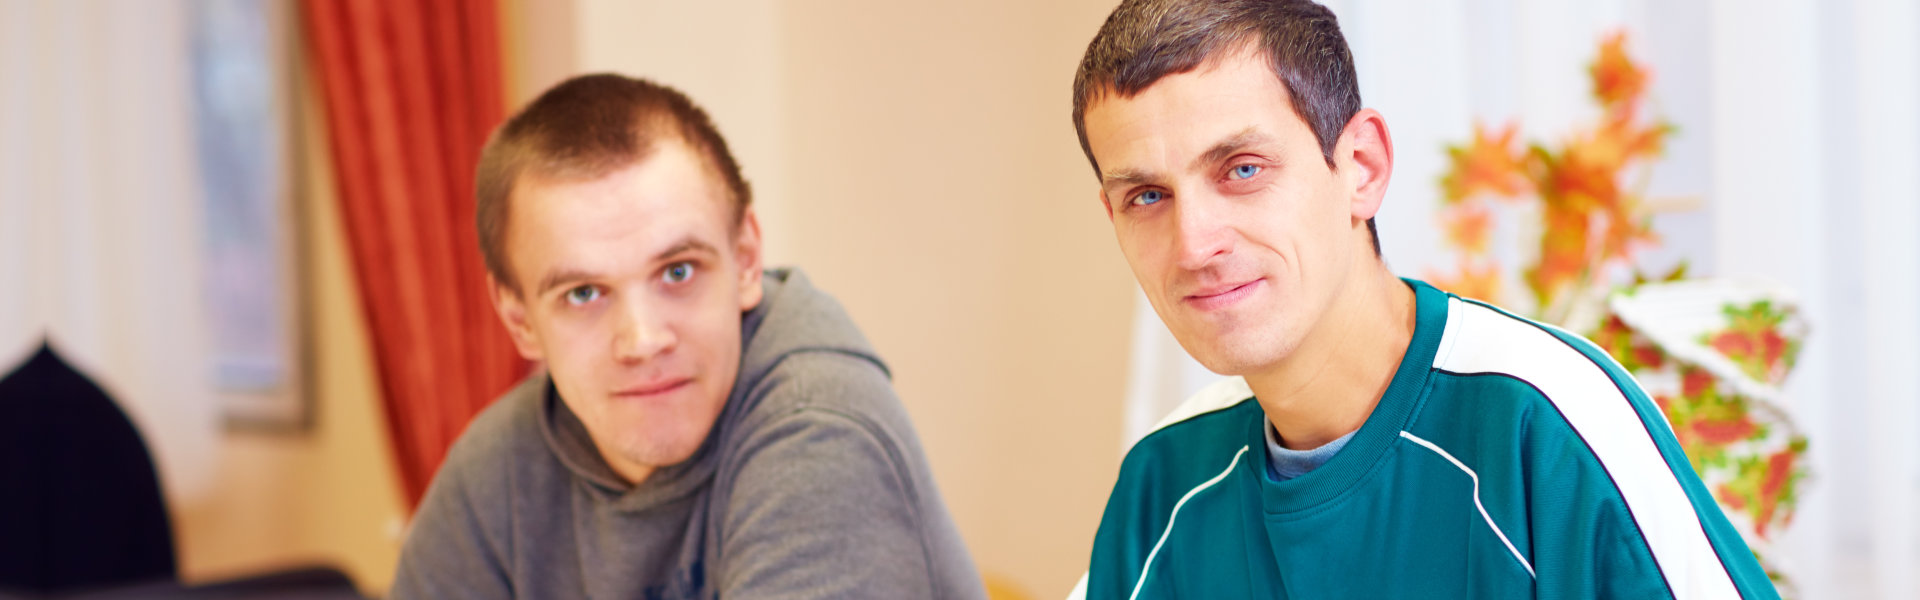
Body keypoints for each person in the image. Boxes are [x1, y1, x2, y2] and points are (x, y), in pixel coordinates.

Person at [1067, 1, 1778, 598]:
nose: (1194, 244)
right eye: (1148, 196)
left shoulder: (1547, 425)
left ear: (1362, 168)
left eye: (1242, 169)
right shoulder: (1163, 486)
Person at [391, 73, 984, 600]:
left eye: (678, 272)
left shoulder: (821, 428)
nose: (643, 341)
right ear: (520, 319)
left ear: (747, 259)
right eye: (583, 294)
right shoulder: (496, 468)